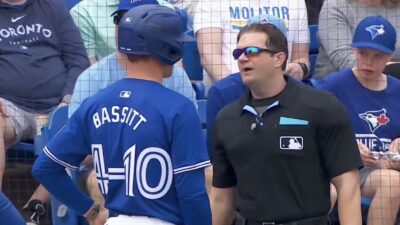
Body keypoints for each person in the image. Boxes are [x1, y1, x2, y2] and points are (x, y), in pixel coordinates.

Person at [32, 5, 211, 225]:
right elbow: (192, 194)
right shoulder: (179, 108)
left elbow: (45, 168)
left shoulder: (94, 104)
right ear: (170, 49)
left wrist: (91, 211)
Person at [210, 21, 363, 225]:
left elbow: (348, 186)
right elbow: (221, 199)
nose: (243, 58)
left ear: (279, 58)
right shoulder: (227, 119)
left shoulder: (322, 108)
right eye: (238, 54)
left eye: (252, 51)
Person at [69, 0, 197, 213]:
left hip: (166, 162)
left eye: (134, 19)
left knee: (209, 176)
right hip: (104, 167)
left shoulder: (177, 77)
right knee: (96, 182)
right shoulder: (91, 78)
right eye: (120, 18)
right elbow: (77, 151)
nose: (124, 25)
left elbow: (191, 140)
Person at [0, 0, 90, 223]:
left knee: (79, 135)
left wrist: (69, 99)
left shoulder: (52, 7)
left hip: (58, 106)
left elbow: (78, 59)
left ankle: (35, 206)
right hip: (10, 106)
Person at [316, 16, 400, 225]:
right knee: (391, 183)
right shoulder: (333, 86)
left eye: (378, 56)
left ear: (390, 57)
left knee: (393, 181)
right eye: (363, 53)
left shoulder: (398, 90)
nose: (368, 62)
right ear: (353, 51)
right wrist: (346, 148)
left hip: (382, 169)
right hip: (341, 169)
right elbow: (310, 130)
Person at [193, 0, 310, 86]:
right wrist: (236, 90)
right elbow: (210, 58)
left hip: (283, 93)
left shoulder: (296, 2)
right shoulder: (211, 2)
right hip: (231, 94)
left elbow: (301, 58)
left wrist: (299, 68)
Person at [314, 0, 400, 80]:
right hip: (338, 87)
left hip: (393, 85)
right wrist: (393, 68)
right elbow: (345, 61)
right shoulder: (335, 5)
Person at [70, 0, 174, 64]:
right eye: (118, 20)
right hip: (109, 86)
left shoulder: (166, 8)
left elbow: (173, 61)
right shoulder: (82, 11)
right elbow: (88, 64)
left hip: (158, 80)